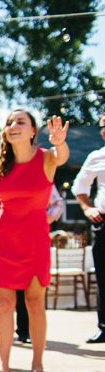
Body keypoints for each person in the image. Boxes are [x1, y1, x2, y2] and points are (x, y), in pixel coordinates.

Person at [0, 111, 69, 372]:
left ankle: (37, 364)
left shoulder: (47, 157)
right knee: (4, 305)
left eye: (21, 122)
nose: (14, 126)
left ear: (33, 130)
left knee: (35, 303)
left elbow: (63, 157)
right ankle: (3, 365)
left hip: (35, 239)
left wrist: (59, 142)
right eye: (10, 122)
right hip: (3, 241)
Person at [0, 185, 65, 344]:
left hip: (30, 239)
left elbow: (57, 203)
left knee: (27, 291)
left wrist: (43, 220)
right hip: (0, 238)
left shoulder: (40, 168)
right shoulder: (0, 167)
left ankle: (24, 331)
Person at [71, 113, 105, 344]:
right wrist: (87, 208)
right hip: (103, 221)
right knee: (103, 276)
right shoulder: (97, 156)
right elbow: (79, 186)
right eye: (104, 126)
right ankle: (104, 327)